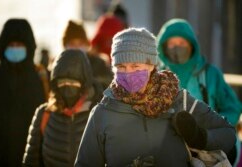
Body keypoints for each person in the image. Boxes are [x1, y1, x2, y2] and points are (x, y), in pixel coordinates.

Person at [74, 27, 236, 166]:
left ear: (151, 65)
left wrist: (197, 136)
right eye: (121, 67)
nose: (128, 73)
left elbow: (228, 135)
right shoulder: (103, 112)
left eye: (135, 66)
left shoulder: (180, 101)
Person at [156, 18, 242, 165]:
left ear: (191, 45)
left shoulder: (210, 74)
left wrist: (215, 128)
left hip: (208, 144)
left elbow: (232, 107)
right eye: (172, 44)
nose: (177, 48)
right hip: (169, 146)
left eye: (182, 43)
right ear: (163, 46)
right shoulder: (156, 76)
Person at [22, 49, 103, 167]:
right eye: (62, 81)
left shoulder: (101, 114)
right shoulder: (44, 114)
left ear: (85, 83)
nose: (67, 86)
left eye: (73, 82)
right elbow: (30, 161)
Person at [0, 18, 48, 167]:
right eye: (11, 45)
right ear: (3, 47)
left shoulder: (41, 78)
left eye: (20, 45)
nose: (15, 48)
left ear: (29, 47)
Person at [62, 20, 113, 89]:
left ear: (86, 44)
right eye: (72, 44)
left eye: (80, 44)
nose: (77, 48)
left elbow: (108, 82)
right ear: (65, 45)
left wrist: (93, 89)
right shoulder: (59, 65)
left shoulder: (98, 63)